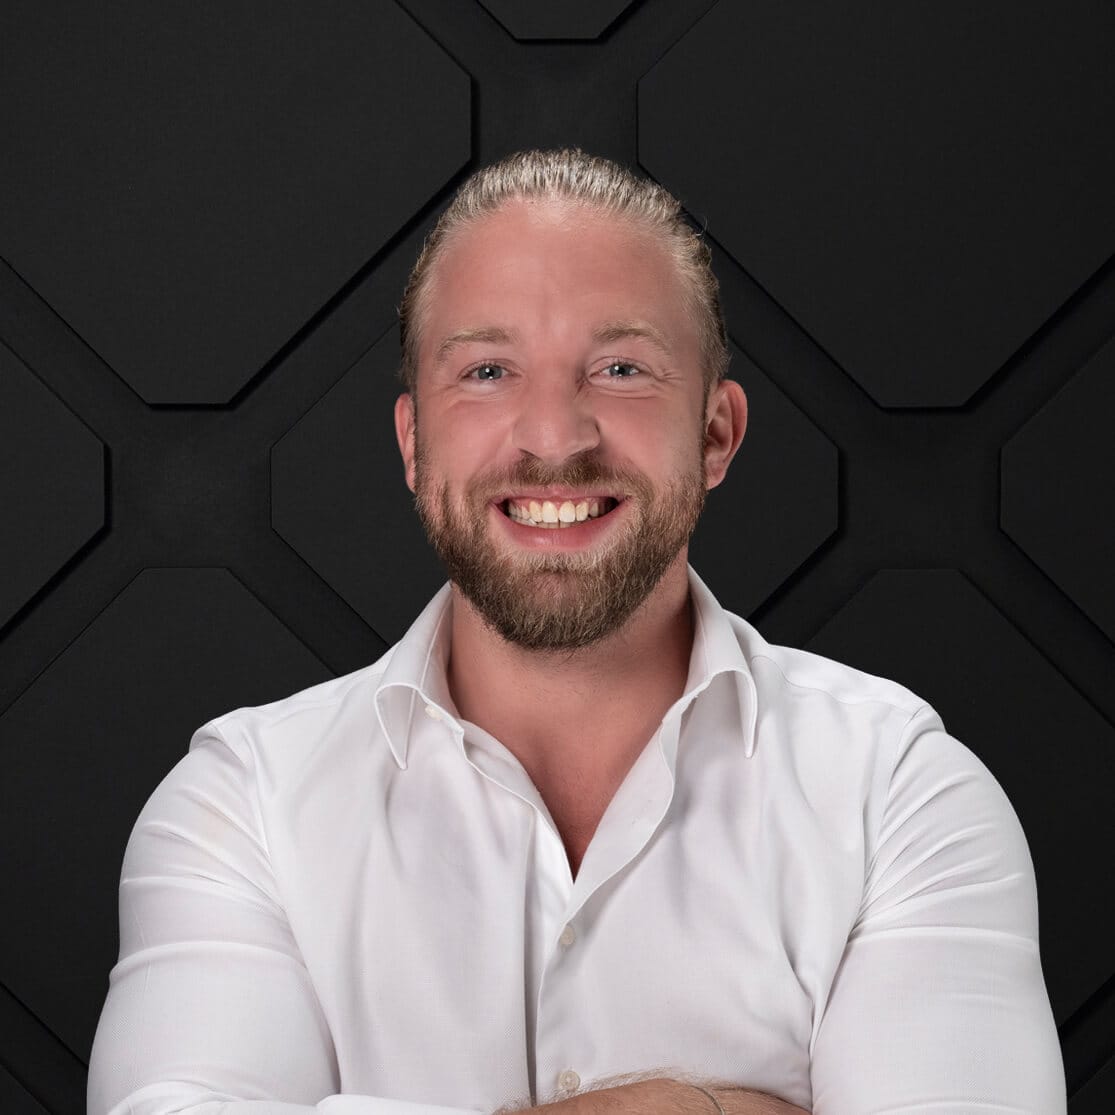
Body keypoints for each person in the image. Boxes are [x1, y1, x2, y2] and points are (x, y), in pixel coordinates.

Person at [88, 149, 1066, 1115]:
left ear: (716, 434)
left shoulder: (901, 795)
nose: (553, 437)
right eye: (485, 369)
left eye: (620, 367)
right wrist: (705, 1111)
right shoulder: (241, 805)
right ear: (411, 442)